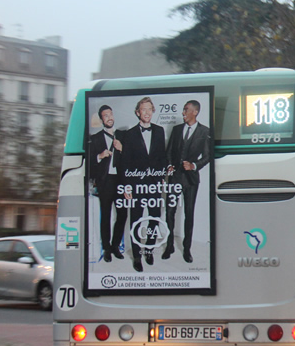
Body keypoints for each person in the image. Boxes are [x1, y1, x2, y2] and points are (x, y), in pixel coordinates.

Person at [162, 99, 211, 263]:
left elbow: (207, 156)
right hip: (175, 177)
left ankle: (187, 249)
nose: (183, 113)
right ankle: (169, 245)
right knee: (169, 212)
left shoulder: (205, 131)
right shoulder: (176, 130)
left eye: (186, 110)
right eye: (183, 110)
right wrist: (169, 166)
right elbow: (168, 152)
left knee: (189, 214)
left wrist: (194, 165)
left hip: (191, 180)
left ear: (195, 112)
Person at [121, 96, 167, 272]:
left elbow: (161, 156)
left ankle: (149, 249)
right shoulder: (130, 134)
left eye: (149, 109)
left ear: (152, 111)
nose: (147, 112)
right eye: (143, 109)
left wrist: (162, 177)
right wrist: (127, 186)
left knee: (154, 218)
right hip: (136, 185)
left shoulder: (160, 131)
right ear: (137, 112)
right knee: (136, 221)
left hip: (154, 184)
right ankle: (137, 256)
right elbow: (125, 163)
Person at [88, 105, 126, 262]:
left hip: (122, 180)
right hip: (105, 181)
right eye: (105, 115)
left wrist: (122, 148)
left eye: (111, 114)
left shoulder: (124, 136)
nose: (109, 117)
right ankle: (107, 248)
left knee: (123, 214)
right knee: (106, 215)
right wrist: (99, 156)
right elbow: (89, 164)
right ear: (101, 119)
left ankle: (116, 245)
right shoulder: (95, 138)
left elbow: (134, 158)